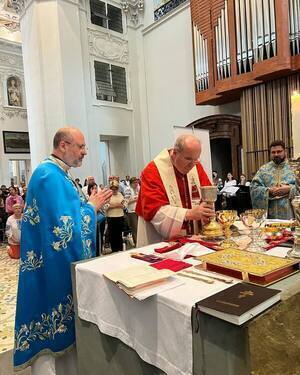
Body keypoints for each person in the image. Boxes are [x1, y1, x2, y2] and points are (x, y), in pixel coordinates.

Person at [14, 127, 112, 374]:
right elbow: (63, 230)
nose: (84, 152)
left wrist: (93, 209)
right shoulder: (48, 175)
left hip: (56, 263)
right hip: (50, 268)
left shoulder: (59, 174)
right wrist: (91, 207)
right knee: (51, 330)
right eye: (81, 147)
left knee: (67, 337)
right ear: (63, 146)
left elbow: (71, 217)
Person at [136, 134, 214, 247]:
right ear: (175, 153)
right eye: (188, 159)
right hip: (160, 241)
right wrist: (189, 214)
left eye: (196, 159)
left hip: (194, 240)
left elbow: (208, 194)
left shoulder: (196, 166)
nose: (192, 165)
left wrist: (206, 211)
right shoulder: (153, 171)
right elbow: (155, 212)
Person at [250, 140, 297, 219]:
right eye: (273, 152)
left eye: (279, 151)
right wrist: (269, 191)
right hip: (270, 216)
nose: (276, 154)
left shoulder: (294, 167)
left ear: (285, 152)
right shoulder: (263, 169)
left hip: (291, 214)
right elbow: (254, 188)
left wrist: (290, 189)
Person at [105, 178, 127, 252]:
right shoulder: (108, 196)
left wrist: (113, 205)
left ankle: (120, 249)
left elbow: (124, 205)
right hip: (111, 217)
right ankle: (114, 250)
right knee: (112, 235)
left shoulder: (120, 195)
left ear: (118, 189)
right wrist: (116, 205)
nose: (114, 190)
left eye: (115, 189)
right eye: (112, 189)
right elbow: (105, 207)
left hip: (120, 217)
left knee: (119, 234)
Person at [127, 177, 140, 245]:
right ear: (131, 183)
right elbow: (126, 201)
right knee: (135, 228)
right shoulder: (128, 190)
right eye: (134, 183)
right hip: (131, 211)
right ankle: (136, 243)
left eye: (137, 182)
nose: (136, 184)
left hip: (138, 210)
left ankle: (140, 242)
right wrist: (136, 200)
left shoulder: (139, 189)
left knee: (140, 228)